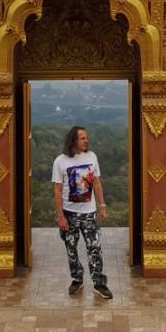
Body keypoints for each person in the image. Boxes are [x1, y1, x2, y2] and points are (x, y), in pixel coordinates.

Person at [51, 124, 112, 299]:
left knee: (95, 248)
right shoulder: (60, 161)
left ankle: (99, 283)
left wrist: (102, 206)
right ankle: (77, 279)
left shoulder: (92, 157)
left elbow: (97, 183)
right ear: (74, 140)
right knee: (71, 248)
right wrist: (61, 216)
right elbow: (57, 190)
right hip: (69, 214)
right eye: (83, 138)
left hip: (90, 213)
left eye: (87, 137)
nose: (87, 140)